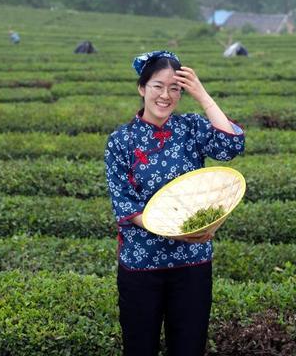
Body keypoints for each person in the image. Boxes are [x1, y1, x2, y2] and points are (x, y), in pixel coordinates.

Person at [104, 50, 245, 356]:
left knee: (189, 348)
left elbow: (232, 145)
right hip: (142, 265)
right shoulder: (121, 141)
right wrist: (171, 229)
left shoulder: (191, 128)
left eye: (175, 88)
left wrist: (202, 95)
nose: (165, 96)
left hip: (191, 264)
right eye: (157, 86)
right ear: (142, 88)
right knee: (140, 349)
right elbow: (125, 205)